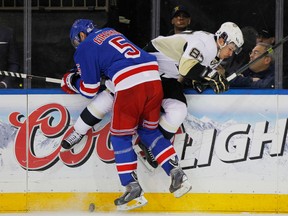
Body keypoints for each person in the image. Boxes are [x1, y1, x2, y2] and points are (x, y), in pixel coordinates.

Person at [60, 19, 192, 210]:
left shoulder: (85, 46)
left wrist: (71, 81)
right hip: (154, 78)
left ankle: (132, 188)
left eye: (77, 41)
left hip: (130, 85)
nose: (77, 46)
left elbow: (89, 89)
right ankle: (176, 172)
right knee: (149, 131)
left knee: (120, 137)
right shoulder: (110, 32)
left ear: (81, 35)